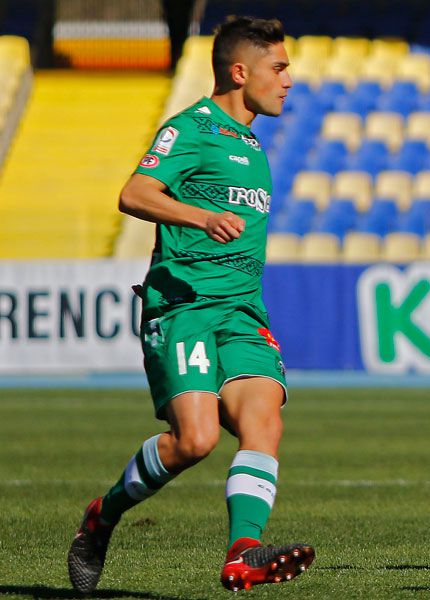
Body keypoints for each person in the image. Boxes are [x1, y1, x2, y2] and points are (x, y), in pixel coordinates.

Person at [66, 16, 314, 593]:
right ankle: (101, 517)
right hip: (185, 309)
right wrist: (202, 216)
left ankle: (243, 554)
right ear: (239, 71)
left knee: (264, 420)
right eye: (278, 68)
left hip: (243, 313)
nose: (288, 80)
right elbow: (135, 193)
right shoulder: (192, 128)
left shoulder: (250, 142)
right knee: (195, 441)